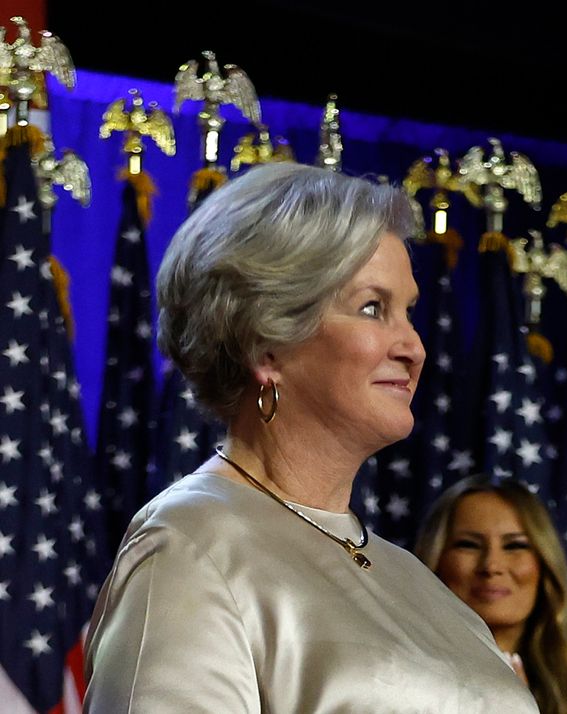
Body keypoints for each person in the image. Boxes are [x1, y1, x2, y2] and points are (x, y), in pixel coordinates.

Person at [83, 163, 537, 712]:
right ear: (265, 345)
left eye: (409, 312)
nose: (412, 347)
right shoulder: (188, 547)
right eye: (373, 308)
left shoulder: (413, 577)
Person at [416, 475, 567, 714]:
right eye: (468, 544)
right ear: (435, 559)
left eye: (515, 546)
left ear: (545, 566)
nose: (491, 566)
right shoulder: (391, 690)